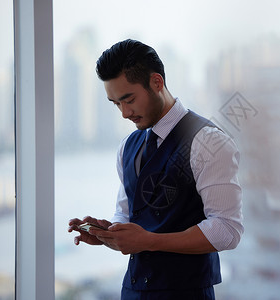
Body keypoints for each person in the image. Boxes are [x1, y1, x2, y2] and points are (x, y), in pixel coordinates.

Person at [68, 39, 243, 300]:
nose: (124, 113)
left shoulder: (208, 141)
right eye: (116, 103)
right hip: (132, 291)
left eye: (129, 99)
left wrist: (150, 241)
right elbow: (126, 215)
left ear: (157, 83)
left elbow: (228, 231)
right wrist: (109, 235)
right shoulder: (127, 146)